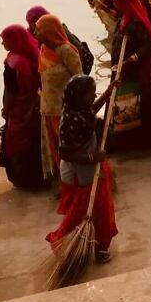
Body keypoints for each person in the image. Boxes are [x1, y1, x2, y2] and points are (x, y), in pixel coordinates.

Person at [46, 75, 118, 263]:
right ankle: (64, 243)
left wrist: (107, 93)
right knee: (81, 213)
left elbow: (91, 111)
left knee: (99, 210)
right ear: (80, 96)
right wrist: (92, 158)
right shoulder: (70, 120)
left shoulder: (80, 111)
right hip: (80, 175)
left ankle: (100, 246)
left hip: (90, 170)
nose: (94, 95)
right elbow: (64, 153)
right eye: (91, 93)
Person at [110, 0, 151, 149]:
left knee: (132, 103)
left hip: (132, 71)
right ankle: (126, 138)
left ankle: (136, 139)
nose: (114, 3)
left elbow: (148, 45)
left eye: (117, 1)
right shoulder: (123, 16)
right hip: (120, 69)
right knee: (123, 103)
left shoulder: (136, 21)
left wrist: (129, 61)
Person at [35, 15, 83, 181]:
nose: (34, 33)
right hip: (49, 109)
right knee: (56, 150)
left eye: (38, 30)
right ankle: (65, 182)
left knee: (69, 149)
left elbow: (80, 80)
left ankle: (77, 182)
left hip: (66, 111)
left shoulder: (66, 51)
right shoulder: (43, 49)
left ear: (49, 31)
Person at [0, 24, 45, 190]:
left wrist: (6, 109)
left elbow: (11, 91)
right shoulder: (33, 57)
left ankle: (23, 179)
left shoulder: (13, 63)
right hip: (33, 105)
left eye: (5, 40)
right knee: (33, 140)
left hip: (19, 109)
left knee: (17, 141)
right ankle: (40, 177)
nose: (2, 44)